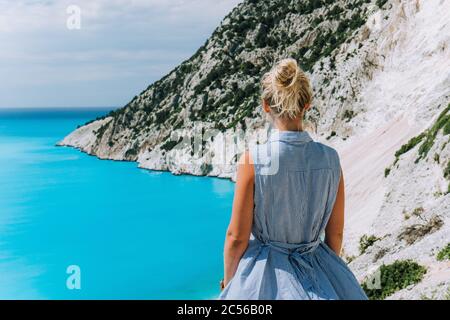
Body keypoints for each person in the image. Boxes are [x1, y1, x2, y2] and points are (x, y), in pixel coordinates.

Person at [219, 58, 367, 300]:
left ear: (266, 105)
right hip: (317, 265)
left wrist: (229, 284)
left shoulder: (253, 160)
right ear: (306, 105)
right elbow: (335, 234)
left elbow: (236, 237)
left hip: (265, 276)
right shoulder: (331, 159)